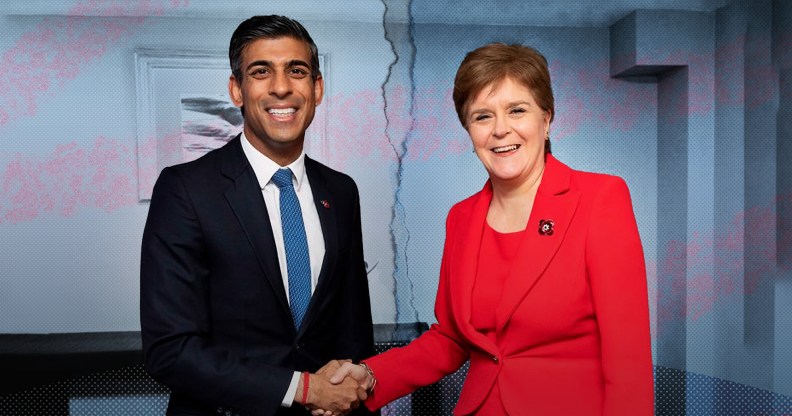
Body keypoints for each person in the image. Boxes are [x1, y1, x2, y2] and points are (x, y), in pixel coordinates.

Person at [324, 43, 654, 415]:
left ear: (546, 119)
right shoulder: (462, 218)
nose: (500, 129)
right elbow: (450, 339)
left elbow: (628, 358)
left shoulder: (600, 199)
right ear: (468, 130)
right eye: (482, 116)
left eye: (517, 110)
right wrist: (369, 373)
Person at [140, 15, 375, 416]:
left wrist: (359, 376)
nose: (281, 87)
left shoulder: (341, 191)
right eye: (261, 71)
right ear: (237, 89)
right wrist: (301, 388)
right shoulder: (186, 190)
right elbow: (171, 350)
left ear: (317, 89)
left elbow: (353, 330)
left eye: (296, 71)